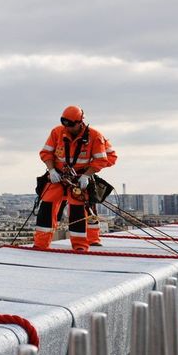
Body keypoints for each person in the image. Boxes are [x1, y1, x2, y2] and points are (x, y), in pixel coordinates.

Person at [33, 106, 116, 251]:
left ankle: (80, 246)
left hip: (79, 179)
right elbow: (46, 153)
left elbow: (102, 160)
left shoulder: (94, 136)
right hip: (58, 177)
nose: (67, 128)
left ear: (80, 122)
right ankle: (40, 245)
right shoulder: (57, 132)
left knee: (78, 211)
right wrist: (52, 171)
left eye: (71, 125)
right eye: (65, 124)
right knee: (46, 207)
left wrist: (86, 175)